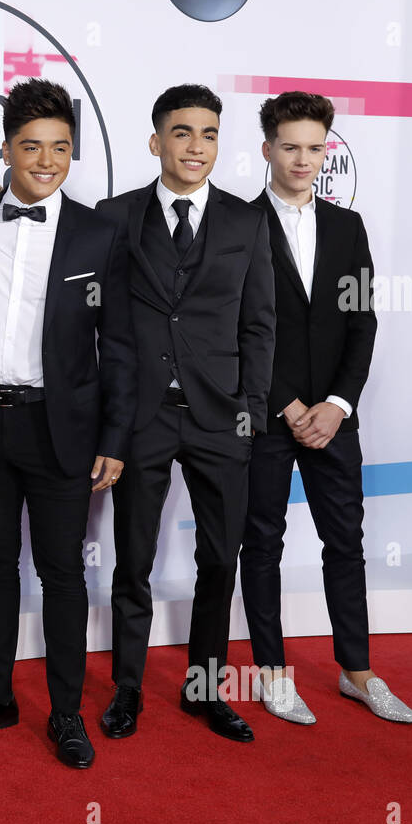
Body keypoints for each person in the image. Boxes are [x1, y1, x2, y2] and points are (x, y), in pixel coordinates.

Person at [0, 79, 135, 769]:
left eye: (59, 148)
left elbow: (123, 345)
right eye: (31, 147)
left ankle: (66, 715)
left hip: (65, 429)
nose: (47, 161)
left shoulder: (101, 233)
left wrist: (114, 439)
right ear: (5, 149)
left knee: (62, 575)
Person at [97, 83, 275, 743]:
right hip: (142, 417)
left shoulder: (247, 221)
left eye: (208, 134)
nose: (196, 146)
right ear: (156, 142)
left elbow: (260, 325)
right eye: (182, 133)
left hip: (221, 418)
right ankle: (127, 690)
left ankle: (204, 690)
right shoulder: (115, 217)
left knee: (218, 562)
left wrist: (251, 411)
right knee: (132, 563)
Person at [241, 91, 412, 725]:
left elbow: (361, 323)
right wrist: (288, 403)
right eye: (290, 146)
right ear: (267, 149)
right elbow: (235, 330)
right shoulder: (239, 224)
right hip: (266, 415)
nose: (303, 159)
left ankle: (357, 670)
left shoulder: (349, 228)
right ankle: (271, 671)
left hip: (334, 417)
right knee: (260, 542)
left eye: (315, 148)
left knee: (346, 542)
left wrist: (338, 403)